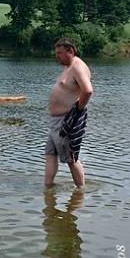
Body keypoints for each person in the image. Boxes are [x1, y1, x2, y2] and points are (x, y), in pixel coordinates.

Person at [44, 38, 93, 188]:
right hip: (55, 122)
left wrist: (77, 110)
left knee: (71, 158)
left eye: (59, 53)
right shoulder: (68, 66)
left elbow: (88, 90)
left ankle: (80, 191)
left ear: (70, 51)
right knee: (50, 153)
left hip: (65, 122)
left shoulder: (78, 67)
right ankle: (48, 187)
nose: (56, 56)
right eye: (56, 53)